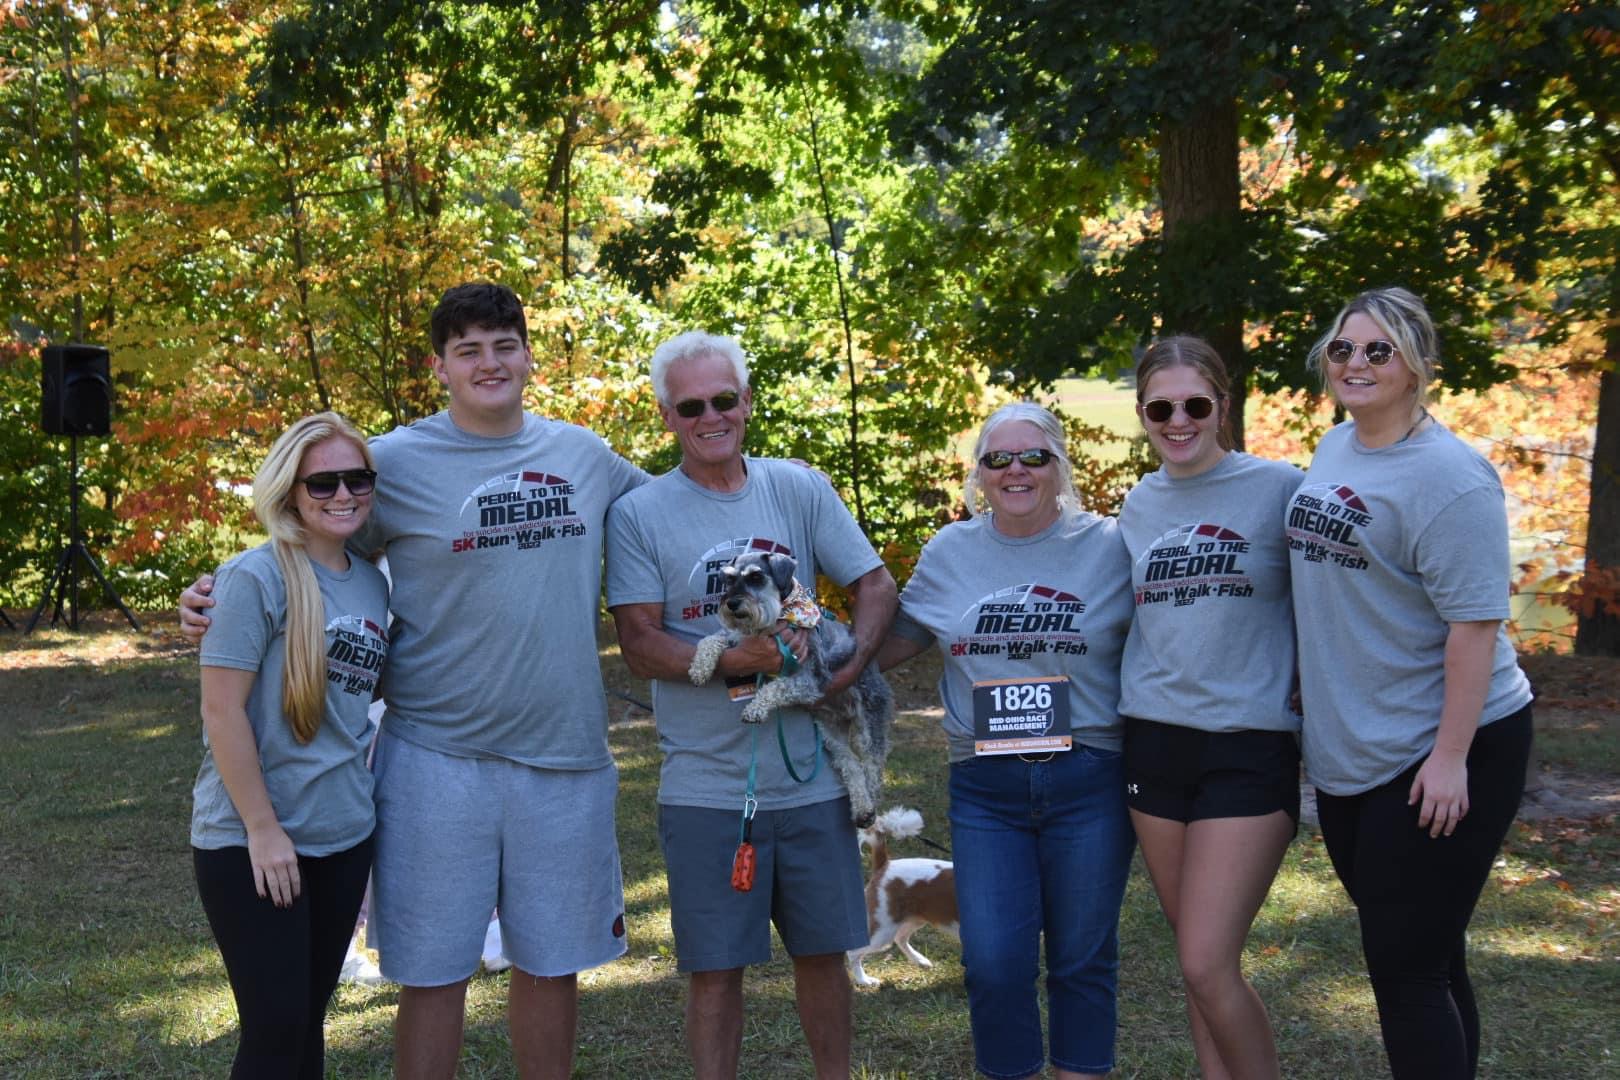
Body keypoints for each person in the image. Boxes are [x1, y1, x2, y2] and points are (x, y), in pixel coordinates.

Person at [181, 283, 648, 1080]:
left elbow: (668, 517)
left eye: (505, 345)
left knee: (551, 963)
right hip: (435, 758)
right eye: (468, 350)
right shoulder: (388, 464)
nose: (489, 363)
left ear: (530, 354)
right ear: (440, 366)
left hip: (565, 756)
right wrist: (211, 593)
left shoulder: (585, 455)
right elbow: (305, 541)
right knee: (432, 971)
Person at [605, 331, 897, 1080]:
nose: (711, 416)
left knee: (825, 957)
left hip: (812, 784)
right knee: (715, 972)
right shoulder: (640, 513)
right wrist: (738, 660)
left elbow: (874, 584)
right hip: (706, 787)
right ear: (666, 415)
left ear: (748, 403)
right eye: (691, 405)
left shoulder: (797, 488)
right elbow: (639, 641)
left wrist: (846, 664)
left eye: (724, 399)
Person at [1288, 287, 1534, 1079]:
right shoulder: (1336, 447)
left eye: (1378, 350)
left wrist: (1449, 757)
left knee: (1404, 968)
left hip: (1445, 748)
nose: (1355, 363)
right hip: (1356, 745)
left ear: (1420, 366)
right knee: (1427, 952)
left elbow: (1474, 627)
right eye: (1342, 348)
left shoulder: (1451, 479)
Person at [876, 402, 1135, 1080]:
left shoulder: (1110, 545)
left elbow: (1169, 636)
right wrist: (809, 663)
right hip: (986, 788)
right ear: (980, 473)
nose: (1016, 470)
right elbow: (897, 641)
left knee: (1082, 957)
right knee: (993, 963)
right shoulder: (950, 550)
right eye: (999, 458)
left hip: (1090, 776)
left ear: (1059, 466)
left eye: (1033, 457)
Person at [1118, 337, 1301, 1079]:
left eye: (1196, 404)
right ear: (1143, 415)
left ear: (1223, 406)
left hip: (1248, 746)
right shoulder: (1138, 503)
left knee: (1204, 958)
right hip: (1154, 743)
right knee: (1196, 954)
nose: (1180, 420)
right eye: (1162, 408)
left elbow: (1348, 592)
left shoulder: (1281, 489)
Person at [191, 411, 390, 1078]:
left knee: (305, 1024)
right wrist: (262, 829)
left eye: (356, 479)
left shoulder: (370, 581)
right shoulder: (254, 578)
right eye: (323, 483)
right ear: (289, 492)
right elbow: (222, 712)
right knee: (275, 1031)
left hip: (342, 835)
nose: (343, 495)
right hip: (255, 843)